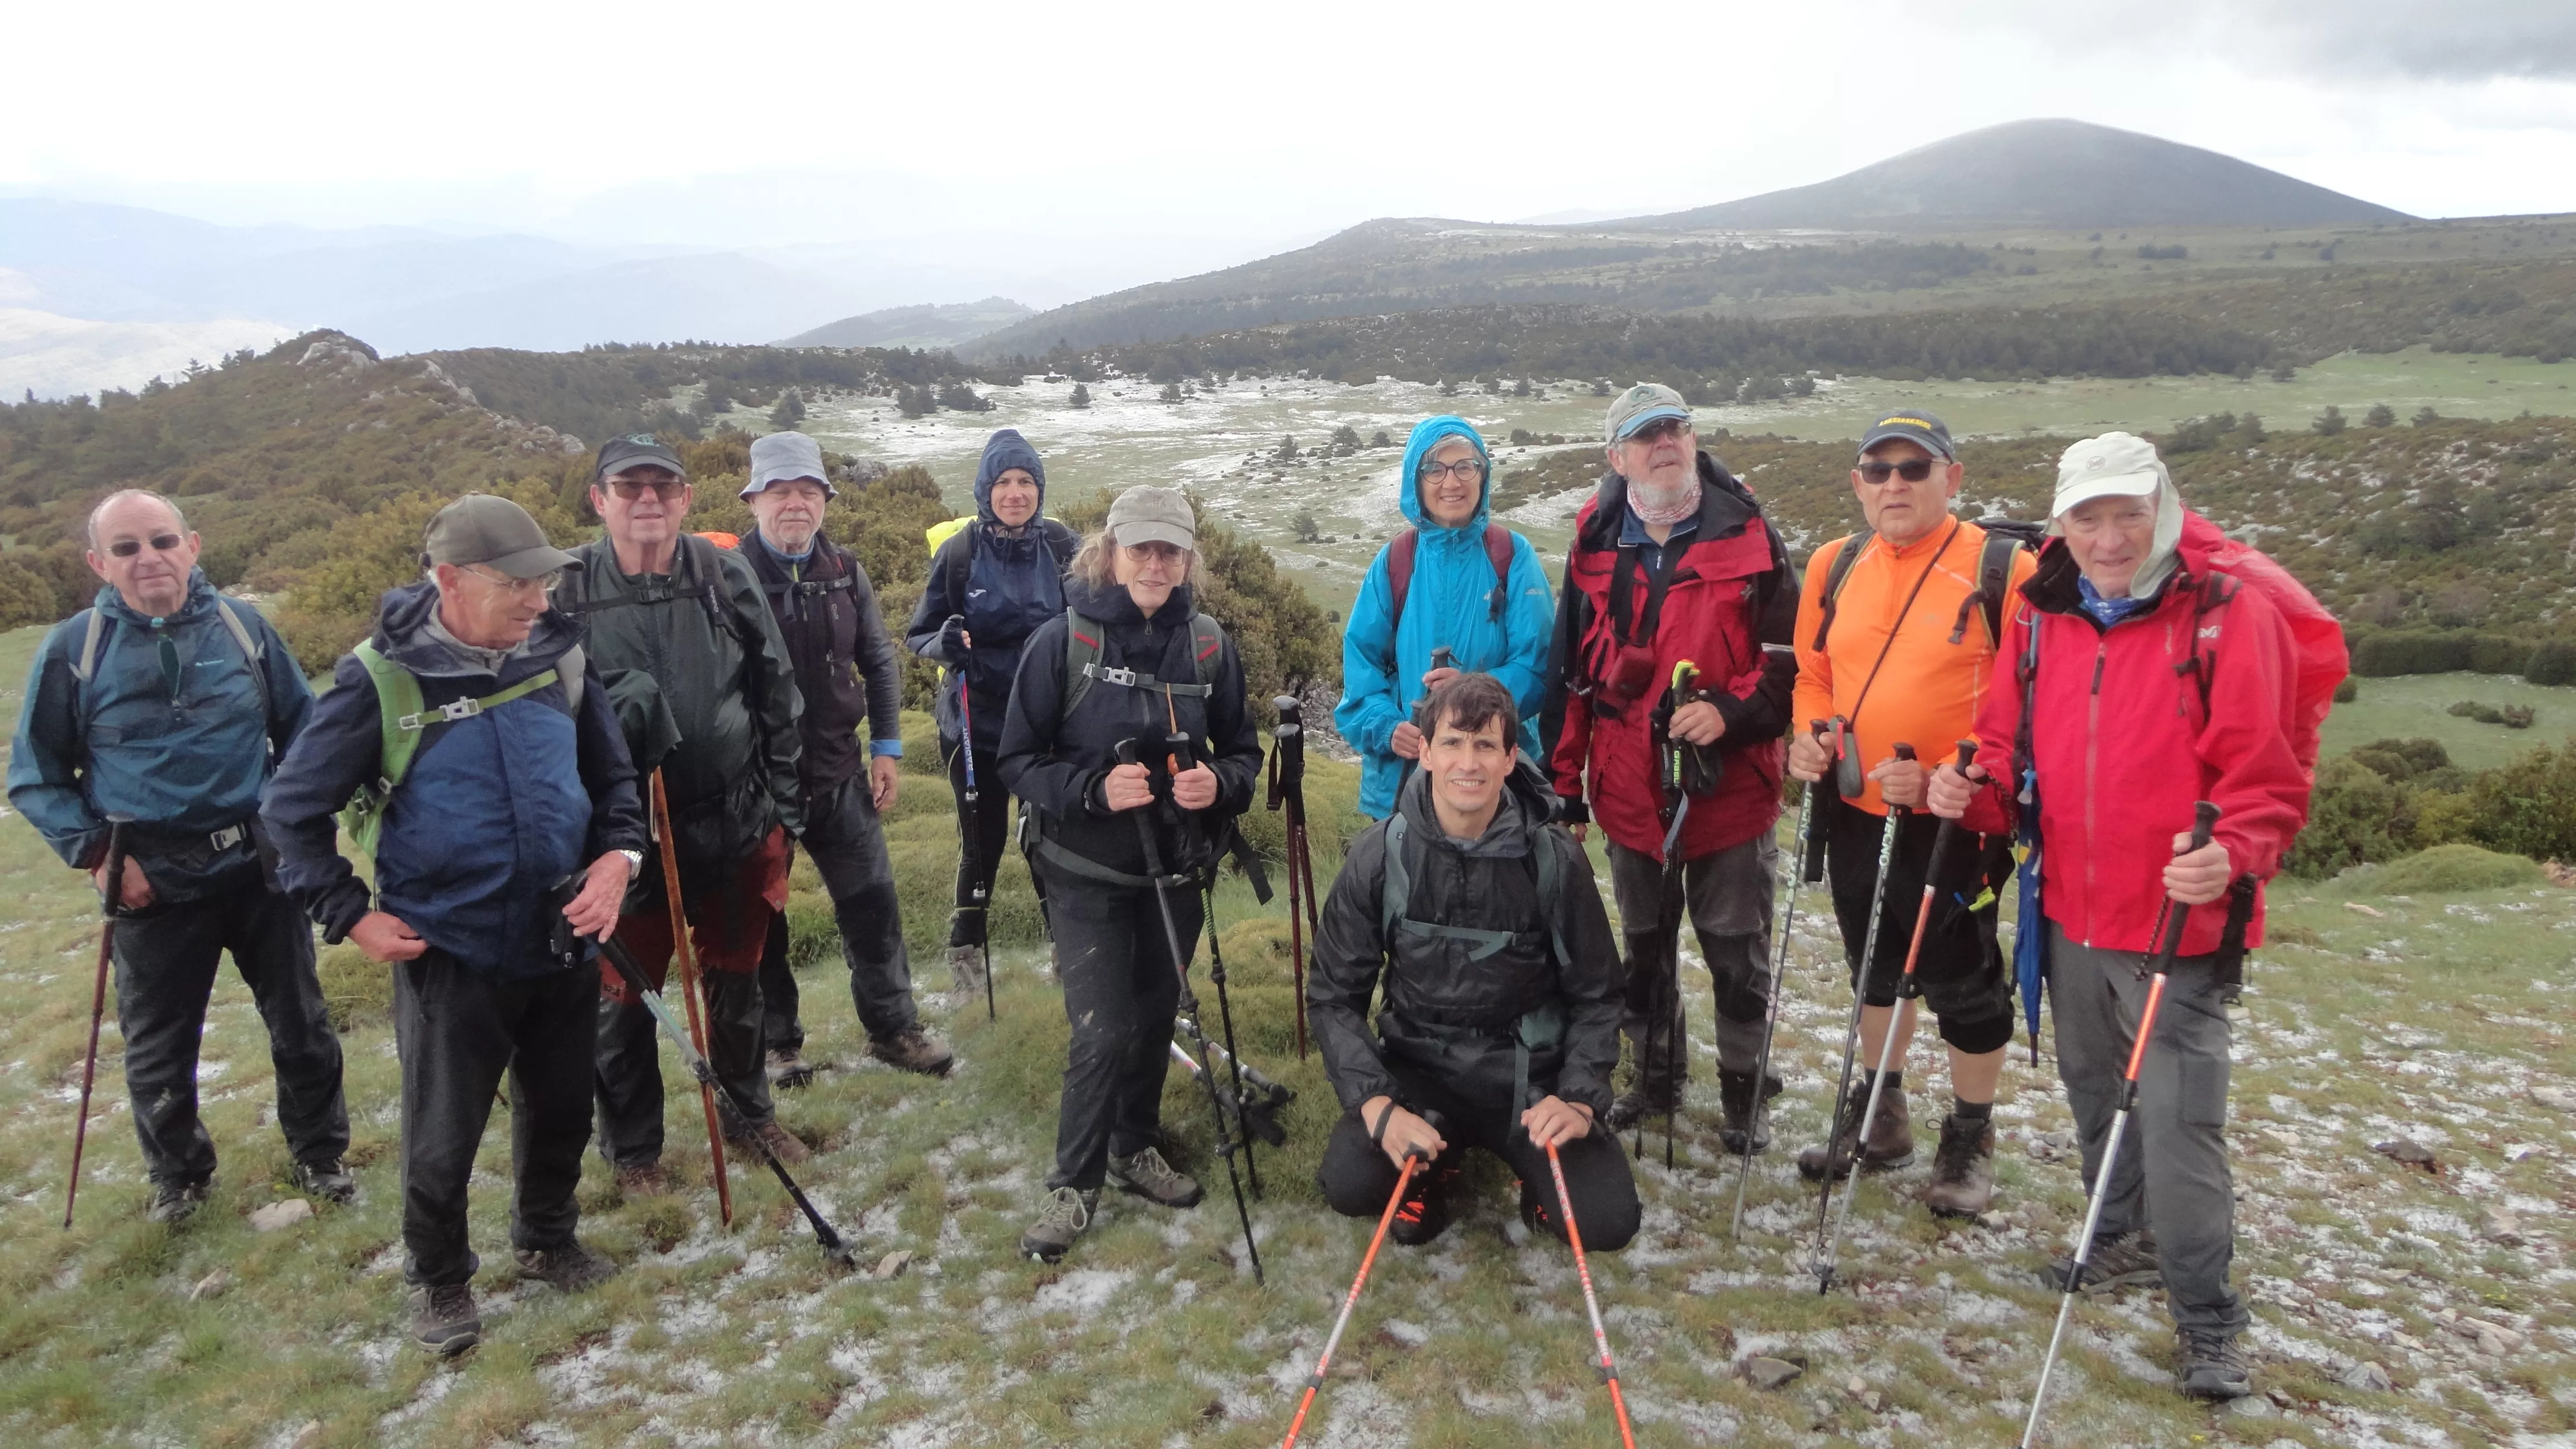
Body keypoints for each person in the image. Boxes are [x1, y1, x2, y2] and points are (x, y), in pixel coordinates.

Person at [1926, 432, 2312, 1401]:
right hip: (2068, 905)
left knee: (2182, 1123)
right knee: (2094, 1090)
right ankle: (2119, 1237)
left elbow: (2264, 779)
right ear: (2060, 523)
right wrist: (1965, 786)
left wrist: (2231, 853)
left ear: (2162, 509)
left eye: (2125, 514)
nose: (2107, 537)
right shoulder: (2039, 613)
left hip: (2178, 920)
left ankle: (2207, 1316)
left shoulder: (2225, 615)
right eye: (2087, 517)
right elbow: (2005, 750)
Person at [262, 493, 645, 1356]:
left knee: (562, 1108)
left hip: (563, 932)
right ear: (448, 581)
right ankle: (439, 1282)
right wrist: (349, 915)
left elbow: (616, 786)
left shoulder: (562, 657)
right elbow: (289, 811)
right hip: (449, 947)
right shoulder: (381, 678)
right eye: (516, 585)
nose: (537, 601)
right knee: (444, 1133)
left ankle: (548, 1240)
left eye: (544, 583)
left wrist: (619, 865)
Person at [9, 489, 347, 1224]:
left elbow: (306, 734)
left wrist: (299, 826)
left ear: (192, 546)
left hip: (260, 866)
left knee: (302, 1022)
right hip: (148, 879)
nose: (148, 559)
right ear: (100, 564)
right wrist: (98, 853)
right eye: (126, 548)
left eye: (161, 541)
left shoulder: (244, 627)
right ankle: (180, 1181)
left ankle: (321, 1156)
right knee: (161, 1047)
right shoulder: (75, 652)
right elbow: (35, 775)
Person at [995, 486, 1264, 1263]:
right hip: (1084, 869)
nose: (1155, 562)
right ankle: (1073, 1188)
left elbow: (1244, 753)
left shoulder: (1209, 646)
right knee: (1102, 1029)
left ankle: (1134, 1144)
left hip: (1179, 872)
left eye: (1170, 550)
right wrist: (1089, 790)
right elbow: (1017, 759)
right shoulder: (1064, 642)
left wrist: (1220, 785)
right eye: (1141, 547)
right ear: (1109, 551)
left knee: (1153, 1015)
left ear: (1188, 560)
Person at [1786, 411, 2034, 1214]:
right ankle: (1882, 1110)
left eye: (1915, 468)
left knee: (1963, 978)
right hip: (1856, 805)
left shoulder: (2006, 571)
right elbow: (1813, 675)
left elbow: (2033, 707)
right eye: (1878, 468)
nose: (1895, 483)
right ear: (1858, 483)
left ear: (1953, 479)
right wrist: (1809, 737)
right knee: (1873, 965)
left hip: (1957, 821)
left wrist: (1951, 777)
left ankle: (1969, 1134)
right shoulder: (1835, 563)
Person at [1542, 383, 1797, 1150]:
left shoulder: (1752, 535)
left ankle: (1744, 1096)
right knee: (1645, 952)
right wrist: (1565, 791)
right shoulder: (1594, 543)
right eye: (1646, 436)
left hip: (1730, 793)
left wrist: (1730, 713)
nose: (1666, 445)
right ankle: (1655, 1084)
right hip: (1626, 793)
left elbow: (1793, 668)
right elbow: (1572, 679)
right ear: (1617, 458)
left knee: (1735, 956)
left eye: (1676, 429)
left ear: (1693, 439)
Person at [556, 435, 809, 1188]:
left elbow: (776, 692)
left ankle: (749, 1114)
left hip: (734, 819)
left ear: (686, 499)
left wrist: (783, 815)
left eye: (663, 488)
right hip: (622, 838)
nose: (647, 502)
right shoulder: (567, 588)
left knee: (738, 978)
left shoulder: (723, 574)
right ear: (599, 498)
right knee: (624, 995)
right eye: (629, 487)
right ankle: (634, 1152)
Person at [1310, 671, 1636, 1249]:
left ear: (1512, 758)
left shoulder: (1553, 861)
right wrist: (1378, 1104)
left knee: (1605, 1222)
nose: (1470, 761)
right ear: (1427, 752)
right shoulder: (1380, 855)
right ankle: (1430, 1172)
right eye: (1454, 743)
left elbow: (1599, 995)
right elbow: (1334, 996)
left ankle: (1532, 1175)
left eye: (1486, 744)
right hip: (1420, 1071)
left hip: (1529, 1081)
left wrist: (1580, 1097)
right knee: (1351, 1184)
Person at [738, 431, 951, 1081]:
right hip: (754, 786)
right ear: (754, 501)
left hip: (838, 774)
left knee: (873, 908)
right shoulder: (727, 578)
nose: (795, 504)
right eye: (780, 491)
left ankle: (893, 1029)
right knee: (761, 922)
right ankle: (778, 1046)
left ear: (826, 500)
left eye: (808, 491)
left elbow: (880, 663)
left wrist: (886, 748)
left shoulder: (845, 571)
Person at [905, 428, 1079, 996]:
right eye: (1003, 481)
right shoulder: (960, 554)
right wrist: (946, 644)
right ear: (985, 489)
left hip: (1047, 727)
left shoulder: (1061, 546)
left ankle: (1068, 953)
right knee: (981, 845)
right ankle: (967, 960)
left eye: (1026, 481)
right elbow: (920, 633)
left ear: (1039, 488)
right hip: (973, 724)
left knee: (1049, 841)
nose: (1015, 492)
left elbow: (1092, 621)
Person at [1334, 416, 1554, 820]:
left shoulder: (1512, 557)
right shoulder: (1395, 563)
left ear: (1483, 476)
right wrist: (1387, 729)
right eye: (1434, 468)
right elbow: (1361, 672)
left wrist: (1474, 692)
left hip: (1496, 787)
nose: (1451, 482)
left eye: (1465, 466)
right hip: (1403, 786)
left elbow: (1539, 667)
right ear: (1415, 481)